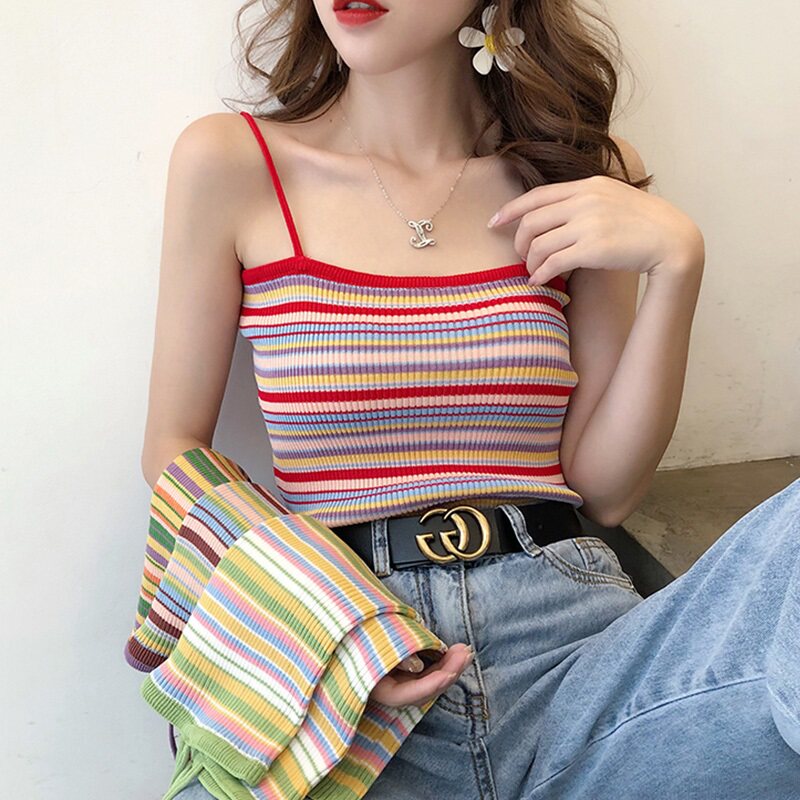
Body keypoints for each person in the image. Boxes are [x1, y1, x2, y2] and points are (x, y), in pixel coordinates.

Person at [140, 1, 800, 797]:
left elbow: (604, 489)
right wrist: (330, 625)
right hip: (352, 665)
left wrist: (677, 267)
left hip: (574, 662)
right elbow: (174, 447)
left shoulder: (574, 174)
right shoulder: (232, 162)